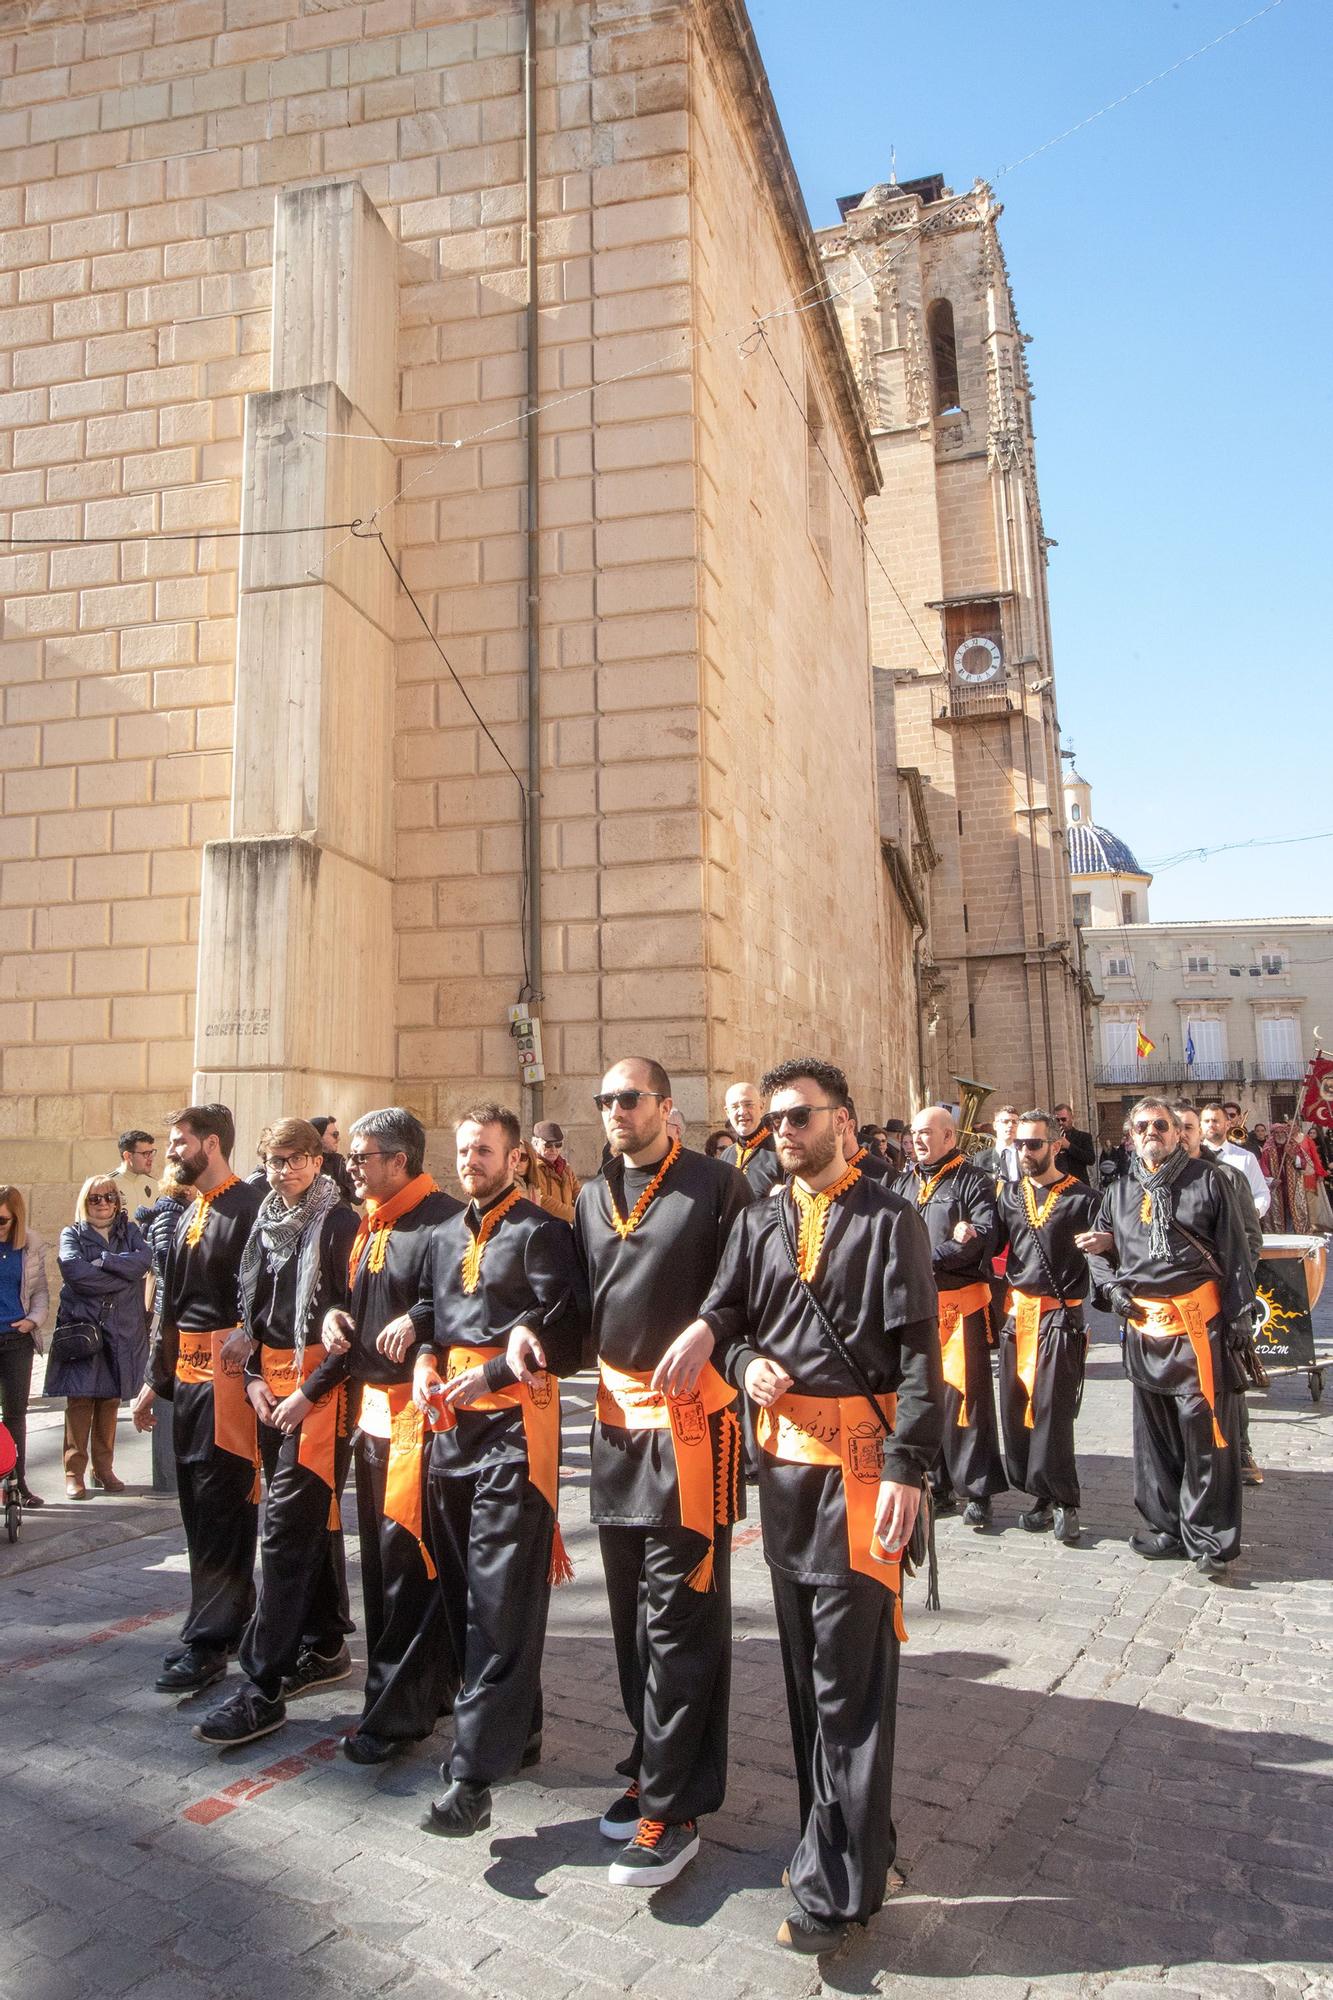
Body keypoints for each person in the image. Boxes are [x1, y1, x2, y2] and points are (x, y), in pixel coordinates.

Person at [691, 1056, 942, 1955]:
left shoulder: (891, 1219)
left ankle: (837, 1888)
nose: (784, 1131)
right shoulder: (758, 1219)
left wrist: (910, 1472)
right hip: (785, 1479)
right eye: (776, 1119)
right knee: (806, 1675)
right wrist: (738, 1361)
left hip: (866, 1474)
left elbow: (920, 1357)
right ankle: (847, 1840)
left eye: (801, 1116)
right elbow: (727, 1316)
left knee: (849, 1679)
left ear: (843, 1120)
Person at [574, 1057, 752, 1888]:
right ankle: (651, 1760)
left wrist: (713, 1325)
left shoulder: (717, 1186)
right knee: (628, 1619)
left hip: (690, 1432)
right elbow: (581, 1306)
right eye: (606, 1099)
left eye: (630, 1098)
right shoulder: (587, 1193)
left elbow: (751, 1286)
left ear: (666, 1108)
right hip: (615, 1432)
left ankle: (674, 1809)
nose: (616, 1110)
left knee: (679, 1616)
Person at [409, 1104, 588, 1836]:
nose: (470, 1161)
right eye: (463, 1150)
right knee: (462, 1600)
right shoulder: (444, 1230)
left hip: (514, 1434)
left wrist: (488, 1372)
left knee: (498, 1602)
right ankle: (522, 1730)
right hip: (448, 1432)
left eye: (483, 1150)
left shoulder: (542, 1233)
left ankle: (471, 1778)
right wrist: (422, 1357)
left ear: (515, 1159)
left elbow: (565, 1326)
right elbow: (428, 1306)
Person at [193, 1120, 359, 1748]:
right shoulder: (266, 1220)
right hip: (271, 1388)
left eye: (294, 1159)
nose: (281, 1170)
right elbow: (255, 1316)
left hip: (321, 1394)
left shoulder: (340, 1225)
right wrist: (259, 1381)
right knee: (305, 1521)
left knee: (283, 1533)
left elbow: (354, 1326)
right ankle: (324, 1640)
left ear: (318, 1162)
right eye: (272, 1160)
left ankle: (262, 1685)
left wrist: (305, 1395)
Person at [310, 1108, 463, 1764]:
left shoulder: (442, 1218)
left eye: (363, 1156)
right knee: (384, 1570)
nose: (351, 1165)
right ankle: (426, 1689)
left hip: (416, 1421)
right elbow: (352, 1295)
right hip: (371, 1416)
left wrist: (421, 1318)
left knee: (406, 1572)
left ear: (400, 1161)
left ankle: (396, 1714)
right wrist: (334, 1319)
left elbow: (461, 1297)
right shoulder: (372, 1219)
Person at [1081, 1098, 1253, 1579]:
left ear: (1178, 1133)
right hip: (1143, 1329)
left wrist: (1239, 1315)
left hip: (1198, 1329)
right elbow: (1097, 1250)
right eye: (1142, 1126)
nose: (1151, 1131)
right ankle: (1165, 1528)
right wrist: (1111, 1289)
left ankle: (1210, 1539)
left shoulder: (1210, 1181)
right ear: (1130, 1135)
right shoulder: (1116, 1192)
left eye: (1161, 1124)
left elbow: (1236, 1252)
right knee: (1153, 1436)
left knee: (1204, 1433)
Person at [132, 1104, 264, 1695]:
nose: (170, 1152)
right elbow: (173, 1310)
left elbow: (266, 1297)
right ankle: (233, 1618)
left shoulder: (248, 1208)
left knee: (221, 1512)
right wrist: (153, 1386)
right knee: (198, 1510)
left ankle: (209, 1641)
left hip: (228, 1388)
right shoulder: (191, 1211)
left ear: (211, 1144)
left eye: (179, 1142)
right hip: (186, 1384)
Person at [893, 1107, 1005, 1526]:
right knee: (923, 1395)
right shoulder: (903, 1181)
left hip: (961, 1307)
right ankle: (935, 1485)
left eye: (926, 1133)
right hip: (919, 1306)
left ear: (948, 1136)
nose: (917, 1140)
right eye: (913, 1133)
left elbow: (979, 1240)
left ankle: (977, 1489)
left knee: (967, 1398)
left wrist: (925, 1258)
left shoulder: (973, 1181)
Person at [995, 1112, 1100, 1543]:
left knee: (1053, 1411)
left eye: (1034, 1144)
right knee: (1016, 1409)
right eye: (1019, 1144)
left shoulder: (1084, 1199)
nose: (1025, 1151)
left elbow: (1109, 1252)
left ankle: (1064, 1502)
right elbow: (992, 1247)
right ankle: (1037, 1493)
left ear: (1056, 1146)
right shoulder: (1007, 1196)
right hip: (1017, 1315)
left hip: (1059, 1314)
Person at [48, 1177, 152, 1499]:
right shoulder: (73, 1234)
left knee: (109, 1399)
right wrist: (122, 1278)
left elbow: (144, 1261)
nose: (103, 1203)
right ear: (85, 1201)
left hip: (121, 1328)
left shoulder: (130, 1230)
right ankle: (73, 1472)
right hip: (84, 1326)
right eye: (95, 1199)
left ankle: (103, 1469)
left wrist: (106, 1261)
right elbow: (74, 1272)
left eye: (109, 1197)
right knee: (80, 1399)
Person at [0, 1184, 50, 1509]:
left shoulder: (30, 1245)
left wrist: (33, 1319)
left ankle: (18, 1483)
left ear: (16, 1218)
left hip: (17, 1340)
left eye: (2, 1221)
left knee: (15, 1414)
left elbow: (41, 1291)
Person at [1199, 1103, 1271, 1222]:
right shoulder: (1191, 1157)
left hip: (1237, 1227)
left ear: (1227, 1124)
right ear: (1200, 1126)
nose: (1211, 1125)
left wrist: (1253, 1215)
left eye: (1215, 1120)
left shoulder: (1246, 1157)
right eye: (1206, 1121)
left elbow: (1261, 1192)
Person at [722, 1080, 782, 1196]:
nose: (742, 1112)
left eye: (748, 1104)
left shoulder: (780, 1150)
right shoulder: (726, 1155)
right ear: (727, 1112)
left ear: (761, 1106)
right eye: (735, 1107)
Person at [524, 1121, 582, 1224]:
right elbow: (541, 1200)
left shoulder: (566, 1169)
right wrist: (575, 1215)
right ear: (536, 1144)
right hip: (544, 1228)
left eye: (558, 1145)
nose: (554, 1150)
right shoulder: (531, 1167)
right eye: (548, 1145)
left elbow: (579, 1195)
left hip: (567, 1228)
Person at [311, 1114, 358, 1204]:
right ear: (318, 1137)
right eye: (334, 1135)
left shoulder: (337, 1161)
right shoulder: (305, 1164)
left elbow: (357, 1197)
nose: (338, 1139)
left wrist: (339, 1190)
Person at [1052, 1104, 1096, 1186]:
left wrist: (1069, 1146)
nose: (1060, 1123)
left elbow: (1090, 1159)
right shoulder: (1050, 1139)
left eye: (1063, 1119)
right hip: (1058, 1184)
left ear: (1072, 1118)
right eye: (1057, 1120)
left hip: (1079, 1184)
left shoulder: (1083, 1137)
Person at [974, 1107, 1020, 1182]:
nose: (1010, 1125)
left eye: (1015, 1122)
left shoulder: (1026, 1155)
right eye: (1005, 1121)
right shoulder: (981, 1159)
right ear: (995, 1125)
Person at [114, 1130, 157, 1210]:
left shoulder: (154, 1185)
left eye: (152, 1153)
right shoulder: (109, 1185)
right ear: (128, 1156)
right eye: (146, 1154)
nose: (151, 1158)